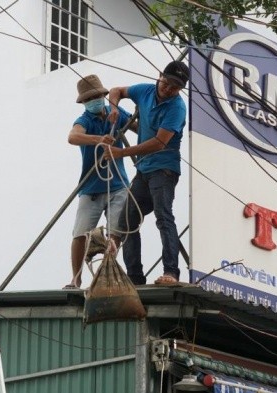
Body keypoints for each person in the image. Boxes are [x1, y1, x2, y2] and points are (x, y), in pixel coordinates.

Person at [104, 60, 189, 285]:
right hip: (143, 170)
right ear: (160, 76)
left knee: (163, 217)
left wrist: (121, 153)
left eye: (175, 87)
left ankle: (171, 272)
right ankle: (134, 277)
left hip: (164, 170)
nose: (168, 88)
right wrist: (114, 107)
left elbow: (160, 142)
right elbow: (117, 91)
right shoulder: (145, 91)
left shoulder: (177, 108)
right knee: (128, 222)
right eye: (167, 82)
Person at [64, 74, 135, 289]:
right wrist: (98, 140)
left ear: (103, 96)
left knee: (116, 234)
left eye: (96, 97)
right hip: (91, 187)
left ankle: (107, 275)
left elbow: (137, 126)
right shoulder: (84, 120)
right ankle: (76, 279)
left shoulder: (116, 114)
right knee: (80, 234)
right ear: (84, 102)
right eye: (88, 99)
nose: (93, 101)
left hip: (118, 184)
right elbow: (73, 137)